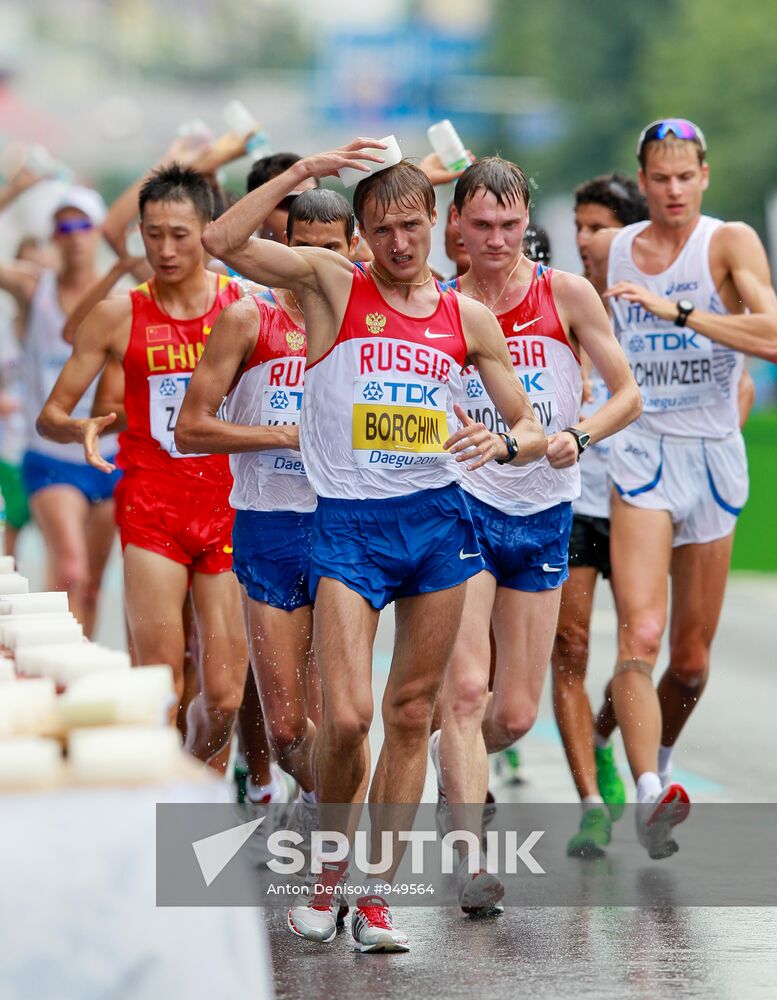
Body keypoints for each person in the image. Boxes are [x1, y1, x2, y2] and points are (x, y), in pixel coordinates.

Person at [202, 139, 546, 952]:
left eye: (411, 227)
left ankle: (377, 897)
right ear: (361, 235)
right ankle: (327, 877)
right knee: (349, 718)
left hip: (436, 526)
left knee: (410, 714)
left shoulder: (467, 317)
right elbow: (222, 241)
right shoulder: (332, 285)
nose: (398, 243)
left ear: (435, 224)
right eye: (382, 230)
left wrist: (507, 443)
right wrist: (300, 175)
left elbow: (527, 423)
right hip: (348, 526)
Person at [428, 156, 640, 909]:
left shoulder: (566, 293)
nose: (496, 240)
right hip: (463, 505)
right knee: (466, 688)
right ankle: (469, 858)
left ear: (527, 221)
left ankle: (444, 755)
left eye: (510, 225)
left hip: (545, 512)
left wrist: (578, 435)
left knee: (513, 714)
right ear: (455, 224)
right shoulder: (440, 304)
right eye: (481, 225)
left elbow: (627, 394)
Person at [586, 119, 777, 859]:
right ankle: (645, 791)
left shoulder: (726, 243)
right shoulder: (612, 250)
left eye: (684, 177)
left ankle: (648, 758)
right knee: (639, 634)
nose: (672, 190)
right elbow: (575, 329)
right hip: (640, 452)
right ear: (641, 182)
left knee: (690, 662)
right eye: (659, 179)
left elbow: (771, 334)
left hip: (712, 455)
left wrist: (683, 313)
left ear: (704, 176)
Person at [36, 163, 248, 768]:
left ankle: (194, 775)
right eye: (153, 235)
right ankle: (170, 798)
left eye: (180, 235)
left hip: (230, 505)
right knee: (160, 684)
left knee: (225, 696)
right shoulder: (118, 315)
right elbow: (50, 414)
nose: (165, 250)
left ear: (208, 231)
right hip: (152, 503)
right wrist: (80, 427)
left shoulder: (243, 305)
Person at [176, 188, 359, 806]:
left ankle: (339, 836)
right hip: (269, 523)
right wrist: (282, 434)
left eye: (330, 249)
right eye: (303, 247)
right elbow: (190, 429)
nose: (315, 262)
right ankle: (322, 804)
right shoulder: (247, 319)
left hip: (345, 526)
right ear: (283, 246)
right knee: (286, 729)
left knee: (342, 716)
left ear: (353, 248)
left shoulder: (369, 319)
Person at [548, 173, 649, 856]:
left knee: (643, 649)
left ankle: (605, 733)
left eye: (599, 228)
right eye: (579, 227)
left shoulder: (650, 301)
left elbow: (732, 385)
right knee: (571, 648)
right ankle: (589, 803)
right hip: (576, 498)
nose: (584, 239)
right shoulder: (558, 298)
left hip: (642, 496)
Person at [0, 177, 120, 634]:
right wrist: (12, 191)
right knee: (71, 572)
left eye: (82, 226)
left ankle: (79, 664)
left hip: (108, 456)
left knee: (92, 587)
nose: (74, 237)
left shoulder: (118, 298)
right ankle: (54, 657)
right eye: (64, 228)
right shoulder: (35, 289)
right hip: (50, 454)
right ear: (54, 235)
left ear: (98, 231)